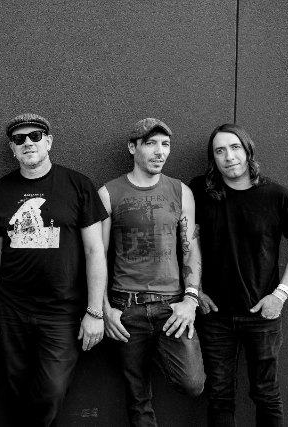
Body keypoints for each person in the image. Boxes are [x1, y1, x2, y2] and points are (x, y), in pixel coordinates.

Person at [0, 113, 108, 427]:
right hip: (12, 308)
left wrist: (95, 311)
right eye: (19, 139)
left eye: (35, 136)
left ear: (48, 142)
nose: (28, 143)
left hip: (61, 310)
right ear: (12, 148)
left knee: (51, 391)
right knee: (17, 391)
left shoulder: (78, 185)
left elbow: (95, 251)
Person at [190, 124, 288, 427]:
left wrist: (280, 295)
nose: (229, 156)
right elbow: (187, 244)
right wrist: (195, 290)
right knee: (219, 396)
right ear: (213, 158)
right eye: (220, 151)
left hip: (262, 315)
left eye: (235, 148)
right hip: (214, 315)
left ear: (248, 151)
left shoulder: (278, 195)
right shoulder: (200, 192)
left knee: (266, 394)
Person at [98, 118, 205, 427]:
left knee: (192, 383)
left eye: (166, 144)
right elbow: (97, 255)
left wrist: (191, 299)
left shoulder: (180, 191)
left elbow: (190, 248)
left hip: (172, 306)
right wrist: (104, 309)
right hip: (125, 308)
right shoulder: (108, 192)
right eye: (151, 143)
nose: (160, 152)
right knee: (137, 397)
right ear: (132, 148)